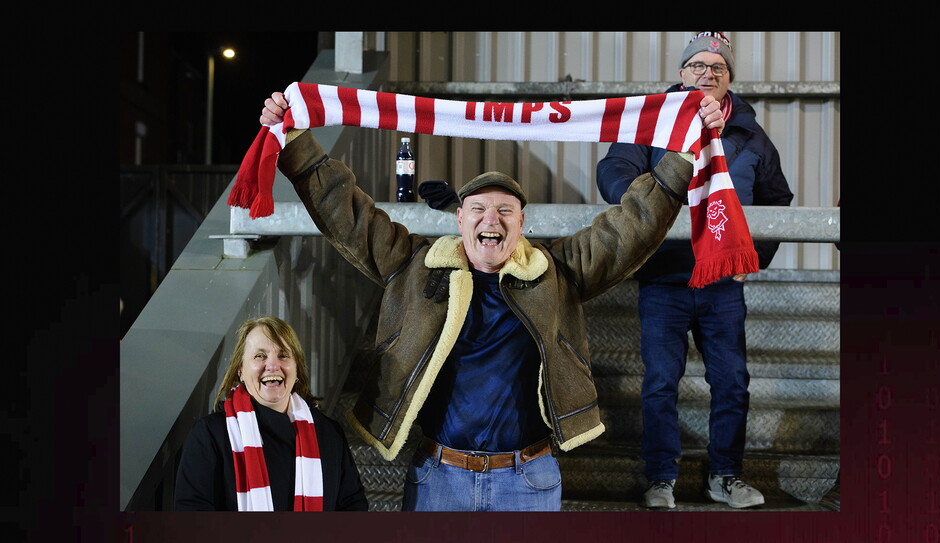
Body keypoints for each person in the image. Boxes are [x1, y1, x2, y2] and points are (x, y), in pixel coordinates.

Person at [259, 89, 725, 511]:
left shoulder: (557, 273)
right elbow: (348, 214)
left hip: (528, 480)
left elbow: (633, 225)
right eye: (479, 209)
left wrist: (683, 155)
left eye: (505, 210)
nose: (492, 220)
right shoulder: (415, 264)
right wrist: (295, 139)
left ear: (521, 223)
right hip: (437, 477)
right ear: (459, 220)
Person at [596, 31, 795, 510]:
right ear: (682, 73)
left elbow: (778, 201)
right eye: (698, 66)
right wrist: (646, 206)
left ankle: (725, 476)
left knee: (731, 382)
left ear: (728, 79)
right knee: (661, 381)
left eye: (718, 68)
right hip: (665, 279)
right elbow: (612, 174)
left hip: (723, 282)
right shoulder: (650, 123)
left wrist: (753, 258)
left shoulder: (748, 133)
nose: (708, 74)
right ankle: (661, 478)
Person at [174, 316, 369, 511]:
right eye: (260, 356)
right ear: (240, 370)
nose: (273, 365)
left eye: (283, 355)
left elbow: (353, 506)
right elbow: (192, 517)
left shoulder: (328, 433)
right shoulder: (210, 434)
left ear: (297, 369)